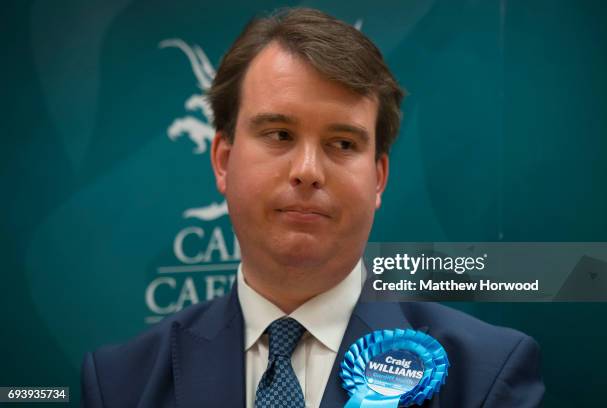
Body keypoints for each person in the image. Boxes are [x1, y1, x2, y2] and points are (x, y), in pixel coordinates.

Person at [81, 8, 544, 407]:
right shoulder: (121, 383)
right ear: (223, 160)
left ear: (378, 177)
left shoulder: (483, 377)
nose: (307, 170)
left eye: (342, 143)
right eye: (280, 134)